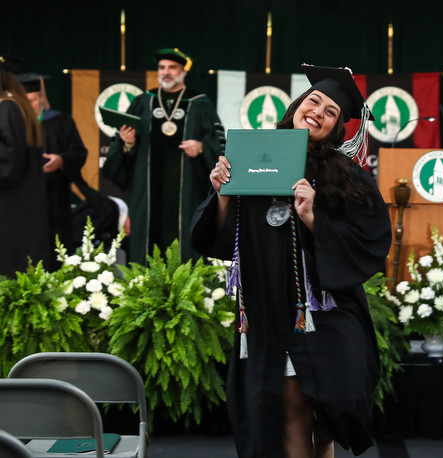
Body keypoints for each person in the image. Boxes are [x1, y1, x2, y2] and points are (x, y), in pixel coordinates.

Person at [191, 64, 391, 457]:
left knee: (325, 418)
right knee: (292, 413)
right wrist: (224, 194)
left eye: (330, 111)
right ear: (298, 105)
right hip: (269, 311)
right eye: (313, 101)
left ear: (336, 129)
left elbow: (370, 239)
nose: (317, 111)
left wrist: (315, 218)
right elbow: (217, 237)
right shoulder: (254, 157)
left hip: (327, 311)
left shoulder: (346, 174)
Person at [102, 48, 223, 265]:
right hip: (148, 193)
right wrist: (127, 143)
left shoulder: (199, 103)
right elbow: (121, 149)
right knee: (148, 244)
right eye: (162, 68)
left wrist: (203, 147)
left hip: (187, 193)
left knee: (186, 242)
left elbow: (219, 143)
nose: (166, 72)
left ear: (183, 72)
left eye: (172, 68)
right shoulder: (143, 102)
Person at [19, 72, 88, 262]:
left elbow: (79, 153)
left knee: (54, 250)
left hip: (54, 199)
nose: (28, 106)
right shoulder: (11, 124)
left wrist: (61, 160)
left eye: (32, 100)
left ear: (41, 98)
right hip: (20, 200)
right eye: (23, 101)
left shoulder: (60, 122)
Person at [0, 55, 49, 277]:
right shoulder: (17, 107)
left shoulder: (8, 108)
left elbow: (9, 162)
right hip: (19, 208)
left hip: (11, 208)